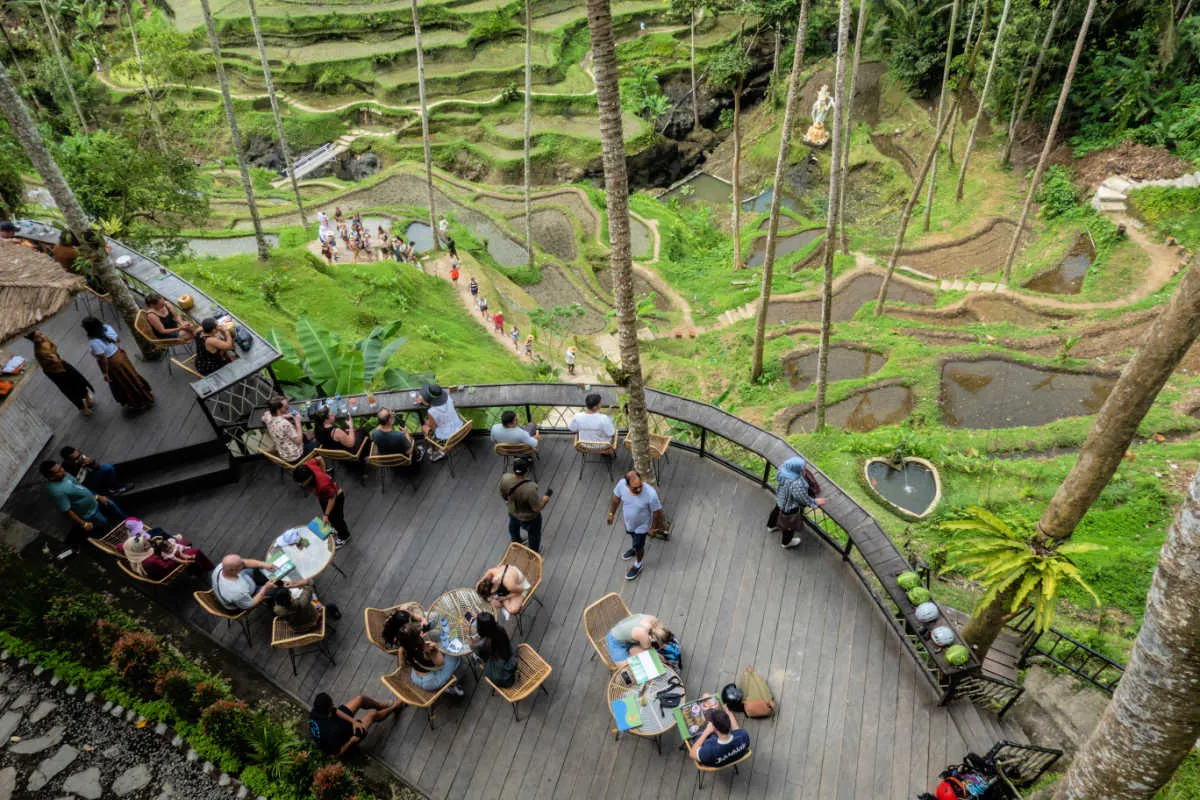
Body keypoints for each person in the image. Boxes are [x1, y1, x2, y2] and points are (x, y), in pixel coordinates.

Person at [82, 316, 154, 410]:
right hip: (120, 355)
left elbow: (102, 359)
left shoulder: (94, 342)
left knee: (125, 382)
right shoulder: (107, 328)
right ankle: (145, 395)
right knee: (132, 376)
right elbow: (118, 340)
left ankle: (139, 402)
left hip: (113, 363)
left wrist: (105, 373)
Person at [607, 469, 664, 581]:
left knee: (639, 545)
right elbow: (615, 499)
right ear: (627, 485)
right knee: (632, 537)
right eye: (635, 488)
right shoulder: (621, 485)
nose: (639, 489)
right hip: (629, 523)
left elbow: (657, 513)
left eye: (640, 486)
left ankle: (638, 564)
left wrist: (653, 528)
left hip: (642, 526)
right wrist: (611, 514)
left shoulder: (650, 494)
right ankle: (634, 549)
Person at [40, 460, 126, 533]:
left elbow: (79, 486)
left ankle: (129, 522)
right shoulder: (57, 492)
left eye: (60, 468)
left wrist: (97, 496)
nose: (62, 470)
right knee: (104, 523)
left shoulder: (64, 475)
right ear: (50, 477)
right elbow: (68, 510)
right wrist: (83, 524)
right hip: (89, 513)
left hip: (94, 499)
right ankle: (117, 537)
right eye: (58, 471)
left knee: (112, 505)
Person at [309, 692, 401, 758]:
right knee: (372, 715)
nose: (333, 705)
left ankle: (380, 705)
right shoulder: (329, 736)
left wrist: (354, 722)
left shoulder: (316, 711)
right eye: (331, 705)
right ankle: (395, 706)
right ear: (327, 710)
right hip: (347, 738)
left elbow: (335, 711)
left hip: (337, 723)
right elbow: (334, 755)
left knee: (360, 699)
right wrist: (351, 741)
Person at [25, 330, 94, 415]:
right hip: (55, 372)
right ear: (34, 340)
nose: (42, 336)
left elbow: (55, 352)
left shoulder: (46, 340)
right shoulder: (39, 352)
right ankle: (83, 408)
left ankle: (87, 398)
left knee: (78, 379)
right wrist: (55, 359)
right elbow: (53, 361)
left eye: (41, 334)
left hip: (62, 363)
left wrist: (56, 359)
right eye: (38, 336)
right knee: (69, 389)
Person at [119, 519, 213, 580]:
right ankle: (202, 569)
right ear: (140, 548)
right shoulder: (151, 560)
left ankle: (194, 567)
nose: (148, 543)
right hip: (164, 571)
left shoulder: (132, 551)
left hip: (158, 565)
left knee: (165, 539)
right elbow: (167, 566)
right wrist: (176, 554)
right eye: (145, 544)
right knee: (195, 552)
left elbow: (120, 546)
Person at [768, 455, 827, 549]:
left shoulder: (784, 471)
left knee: (776, 511)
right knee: (789, 525)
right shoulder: (796, 483)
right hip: (790, 506)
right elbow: (802, 498)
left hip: (781, 498)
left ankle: (771, 526)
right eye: (802, 467)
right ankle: (786, 543)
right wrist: (814, 502)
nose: (804, 469)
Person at [498, 455, 549, 552]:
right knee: (534, 534)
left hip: (513, 511)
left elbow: (503, 494)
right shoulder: (531, 488)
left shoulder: (505, 479)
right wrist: (545, 500)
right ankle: (534, 552)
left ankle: (516, 541)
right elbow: (536, 508)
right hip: (529, 518)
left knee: (513, 525)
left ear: (513, 470)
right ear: (526, 471)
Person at [395, 624, 464, 696]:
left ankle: (444, 684)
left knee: (427, 662)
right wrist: (436, 648)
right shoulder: (427, 649)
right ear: (417, 638)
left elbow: (402, 665)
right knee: (454, 656)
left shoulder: (402, 649)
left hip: (415, 677)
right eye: (419, 633)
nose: (421, 633)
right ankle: (449, 686)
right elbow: (440, 663)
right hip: (431, 682)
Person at [294, 461, 351, 546]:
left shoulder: (323, 485)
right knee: (332, 518)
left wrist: (326, 515)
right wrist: (324, 473)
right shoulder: (308, 465)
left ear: (308, 479)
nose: (300, 484)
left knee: (337, 519)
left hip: (335, 498)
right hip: (324, 496)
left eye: (301, 482)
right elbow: (319, 458)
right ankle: (336, 528)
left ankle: (344, 536)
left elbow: (333, 497)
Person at [211, 553, 288, 611]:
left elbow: (245, 562)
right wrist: (265, 588)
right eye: (241, 564)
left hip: (244, 581)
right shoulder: (236, 592)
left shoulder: (222, 567)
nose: (243, 563)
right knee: (278, 589)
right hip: (248, 598)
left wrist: (262, 564)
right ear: (233, 570)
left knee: (259, 568)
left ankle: (261, 579)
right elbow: (250, 604)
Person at [312, 405, 367, 476]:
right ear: (326, 419)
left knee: (351, 430)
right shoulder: (335, 431)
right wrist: (351, 426)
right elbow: (351, 443)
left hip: (335, 452)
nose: (333, 415)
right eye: (331, 415)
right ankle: (364, 455)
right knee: (362, 431)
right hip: (347, 452)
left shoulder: (317, 428)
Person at [268, 578, 340, 632]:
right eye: (289, 592)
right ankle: (330, 612)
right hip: (314, 621)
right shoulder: (303, 601)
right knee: (314, 599)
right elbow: (309, 582)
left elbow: (281, 617)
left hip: (296, 628)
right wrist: (293, 585)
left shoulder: (277, 610)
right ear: (289, 595)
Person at [468, 611, 516, 688]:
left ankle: (477, 658)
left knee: (474, 654)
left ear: (480, 628)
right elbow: (489, 626)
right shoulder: (500, 629)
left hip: (502, 678)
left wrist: (467, 632)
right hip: (510, 662)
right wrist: (480, 618)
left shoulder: (483, 644)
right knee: (482, 652)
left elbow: (470, 645)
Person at [263, 395, 318, 462]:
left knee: (304, 436)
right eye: (285, 406)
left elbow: (264, 416)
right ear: (278, 409)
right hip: (295, 456)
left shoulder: (268, 417)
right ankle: (316, 463)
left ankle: (308, 443)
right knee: (319, 442)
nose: (288, 407)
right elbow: (299, 441)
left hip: (284, 453)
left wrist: (284, 415)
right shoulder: (284, 424)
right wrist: (297, 422)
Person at [605, 612, 671, 667]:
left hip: (624, 629)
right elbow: (649, 651)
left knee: (639, 651)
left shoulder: (654, 620)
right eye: (660, 645)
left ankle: (632, 649)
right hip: (615, 641)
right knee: (626, 668)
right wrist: (659, 656)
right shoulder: (643, 635)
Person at [416, 382, 462, 461]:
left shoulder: (432, 411)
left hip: (447, 440)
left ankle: (437, 450)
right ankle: (435, 448)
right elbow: (452, 406)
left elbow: (433, 427)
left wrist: (427, 421)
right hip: (459, 430)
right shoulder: (448, 397)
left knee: (425, 428)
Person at [60, 446, 132, 495]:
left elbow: (97, 467)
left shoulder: (81, 457)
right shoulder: (66, 468)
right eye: (75, 459)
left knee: (108, 468)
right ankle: (114, 489)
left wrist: (91, 462)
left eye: (78, 456)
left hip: (90, 476)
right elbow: (75, 484)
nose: (79, 459)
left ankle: (112, 487)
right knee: (106, 470)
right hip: (84, 485)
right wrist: (77, 466)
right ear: (68, 460)